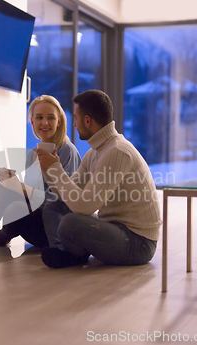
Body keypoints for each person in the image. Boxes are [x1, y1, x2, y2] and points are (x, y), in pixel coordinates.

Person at [36, 90, 162, 268]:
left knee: (70, 223)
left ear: (87, 120)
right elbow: (67, 192)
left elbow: (84, 206)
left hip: (138, 242)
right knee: (54, 205)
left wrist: (55, 169)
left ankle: (72, 255)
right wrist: (49, 168)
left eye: (76, 118)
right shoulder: (95, 152)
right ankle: (64, 252)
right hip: (114, 229)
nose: (74, 124)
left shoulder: (117, 151)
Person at [0, 95, 81, 260]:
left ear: (59, 122)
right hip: (38, 225)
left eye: (50, 118)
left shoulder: (67, 150)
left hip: (56, 228)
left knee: (11, 192)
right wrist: (13, 184)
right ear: (32, 122)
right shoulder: (33, 155)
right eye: (39, 118)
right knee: (10, 195)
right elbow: (30, 198)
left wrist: (18, 188)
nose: (44, 123)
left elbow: (62, 201)